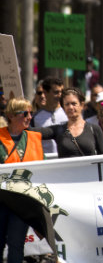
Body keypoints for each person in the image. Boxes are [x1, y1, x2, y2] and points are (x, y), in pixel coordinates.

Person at [0, 98, 44, 263]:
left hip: (23, 201)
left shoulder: (34, 138)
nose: (29, 117)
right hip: (1, 200)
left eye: (31, 113)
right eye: (25, 113)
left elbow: (44, 170)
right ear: (11, 116)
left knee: (16, 243)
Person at [30, 88, 103, 158]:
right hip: (65, 173)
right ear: (63, 108)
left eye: (74, 104)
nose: (70, 107)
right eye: (67, 104)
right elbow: (31, 131)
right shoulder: (58, 130)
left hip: (90, 173)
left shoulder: (94, 129)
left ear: (82, 105)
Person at [32, 77, 66, 155]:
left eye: (62, 92)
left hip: (65, 160)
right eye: (56, 92)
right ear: (45, 93)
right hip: (45, 162)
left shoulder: (68, 113)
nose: (60, 95)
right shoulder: (35, 118)